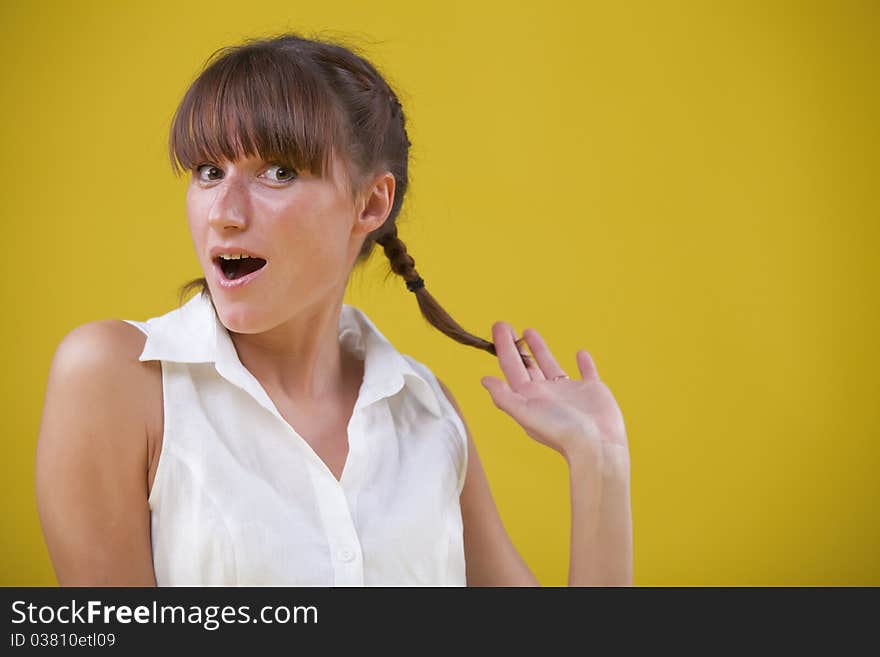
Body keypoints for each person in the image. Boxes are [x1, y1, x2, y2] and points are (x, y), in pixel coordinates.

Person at [35, 31, 632, 586]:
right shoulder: (117, 379)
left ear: (370, 204)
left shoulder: (425, 413)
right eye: (209, 171)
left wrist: (599, 457)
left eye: (278, 172)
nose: (224, 211)